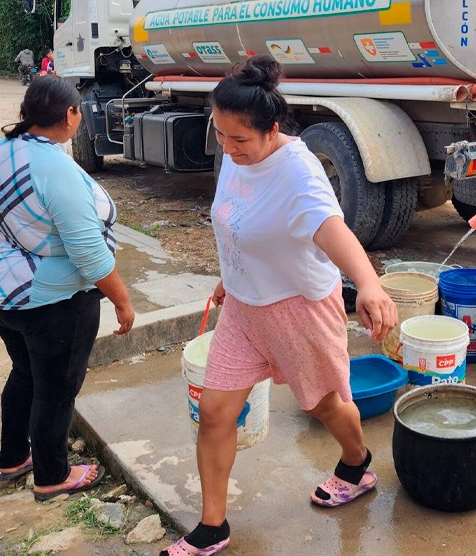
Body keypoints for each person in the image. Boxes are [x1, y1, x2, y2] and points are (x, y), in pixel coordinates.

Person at [160, 56, 397, 556]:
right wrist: (231, 277)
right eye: (220, 135)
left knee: (323, 403)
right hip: (245, 310)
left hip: (298, 309)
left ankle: (356, 463)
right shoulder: (236, 151)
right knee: (215, 410)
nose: (227, 148)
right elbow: (235, 219)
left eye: (239, 140)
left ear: (271, 130)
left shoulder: (298, 171)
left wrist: (369, 284)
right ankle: (213, 526)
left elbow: (333, 230)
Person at [0, 76, 135, 500]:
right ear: (69, 114)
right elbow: (88, 252)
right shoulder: (55, 168)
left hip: (2, 292)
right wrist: (122, 301)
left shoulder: (4, 150)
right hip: (50, 301)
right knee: (57, 390)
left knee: (26, 375)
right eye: (80, 111)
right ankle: (52, 477)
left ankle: (13, 458)